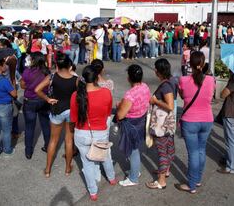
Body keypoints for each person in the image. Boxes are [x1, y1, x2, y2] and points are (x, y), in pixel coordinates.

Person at [70, 65, 116, 201]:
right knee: (105, 155)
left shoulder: (76, 95)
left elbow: (73, 118)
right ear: (97, 77)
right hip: (101, 132)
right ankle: (112, 178)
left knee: (87, 164)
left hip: (82, 134)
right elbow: (108, 113)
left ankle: (93, 192)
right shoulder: (106, 93)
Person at [176, 51, 214, 193]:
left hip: (190, 121)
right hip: (207, 120)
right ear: (203, 64)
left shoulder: (183, 80)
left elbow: (182, 95)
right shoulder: (211, 80)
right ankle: (197, 179)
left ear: (189, 64)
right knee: (201, 150)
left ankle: (191, 185)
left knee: (193, 152)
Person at [36, 52, 77, 177]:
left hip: (56, 110)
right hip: (70, 110)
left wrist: (47, 99)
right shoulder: (76, 79)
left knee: (53, 140)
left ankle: (48, 169)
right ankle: (67, 168)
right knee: (69, 140)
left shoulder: (52, 77)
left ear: (57, 65)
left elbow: (37, 89)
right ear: (69, 65)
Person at [116, 64, 151, 187]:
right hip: (141, 120)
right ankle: (135, 171)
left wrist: (119, 106)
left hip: (131, 124)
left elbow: (120, 115)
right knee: (135, 149)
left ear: (129, 78)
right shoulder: (145, 87)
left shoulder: (130, 94)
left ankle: (133, 177)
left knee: (133, 151)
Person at [146, 58, 175, 190]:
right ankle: (166, 171)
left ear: (158, 71)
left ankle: (161, 180)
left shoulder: (166, 86)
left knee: (162, 151)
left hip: (161, 126)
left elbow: (170, 106)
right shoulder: (171, 82)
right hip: (167, 124)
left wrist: (154, 101)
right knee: (169, 149)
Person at [20, 52, 51, 159]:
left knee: (29, 127)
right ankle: (48, 146)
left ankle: (28, 151)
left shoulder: (27, 71)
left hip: (30, 101)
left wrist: (30, 86)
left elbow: (22, 85)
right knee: (46, 125)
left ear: (34, 60)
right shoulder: (46, 72)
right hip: (43, 100)